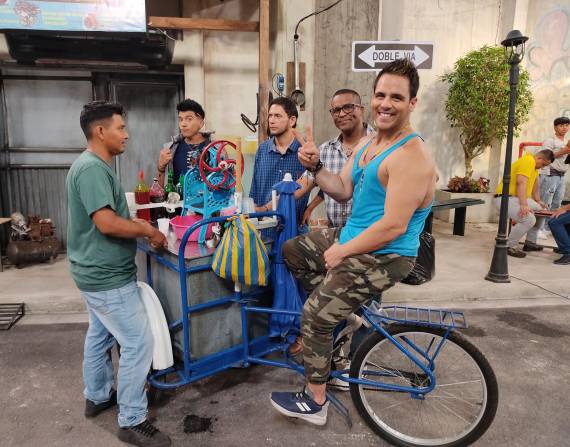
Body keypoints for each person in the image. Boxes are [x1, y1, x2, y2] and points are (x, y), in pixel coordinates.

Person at [269, 59, 437, 426]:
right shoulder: (371, 144)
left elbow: (393, 226)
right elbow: (342, 189)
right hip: (354, 237)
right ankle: (347, 315)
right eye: (381, 94)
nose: (386, 103)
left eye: (397, 96)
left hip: (386, 253)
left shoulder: (411, 155)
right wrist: (314, 169)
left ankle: (315, 400)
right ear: (372, 99)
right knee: (291, 251)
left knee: (314, 314)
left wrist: (342, 250)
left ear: (412, 102)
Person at [66, 101, 170, 447]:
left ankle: (96, 397)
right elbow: (106, 223)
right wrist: (147, 231)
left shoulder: (90, 165)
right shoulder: (93, 169)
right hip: (106, 276)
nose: (126, 134)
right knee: (139, 341)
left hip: (91, 272)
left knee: (100, 334)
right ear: (100, 132)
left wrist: (139, 224)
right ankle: (132, 419)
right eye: (120, 128)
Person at [298, 88, 375, 228]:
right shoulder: (324, 151)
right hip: (336, 238)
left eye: (348, 107)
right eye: (336, 110)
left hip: (371, 239)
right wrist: (266, 207)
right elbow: (300, 187)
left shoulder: (379, 145)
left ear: (361, 110)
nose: (342, 114)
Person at [249, 96, 308, 225]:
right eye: (270, 116)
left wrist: (311, 208)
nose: (271, 120)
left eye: (277, 116)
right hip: (264, 228)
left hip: (293, 229)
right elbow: (254, 189)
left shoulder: (304, 151)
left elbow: (321, 182)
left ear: (292, 120)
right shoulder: (262, 150)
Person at [494, 149, 555, 258]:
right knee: (529, 219)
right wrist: (523, 205)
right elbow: (520, 182)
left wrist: (538, 201)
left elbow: (535, 186)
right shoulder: (528, 161)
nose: (542, 167)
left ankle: (530, 243)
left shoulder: (534, 167)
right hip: (505, 198)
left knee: (542, 209)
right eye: (543, 164)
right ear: (539, 158)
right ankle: (509, 246)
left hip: (516, 198)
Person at [156, 99, 211, 188]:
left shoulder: (215, 148)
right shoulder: (171, 149)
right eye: (181, 119)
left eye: (189, 119)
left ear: (201, 123)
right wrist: (160, 168)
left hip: (208, 201)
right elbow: (158, 192)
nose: (183, 124)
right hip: (178, 201)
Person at [537, 116, 570, 239]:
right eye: (561, 125)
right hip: (550, 174)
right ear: (555, 127)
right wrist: (564, 151)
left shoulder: (567, 141)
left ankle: (546, 227)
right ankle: (538, 229)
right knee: (545, 203)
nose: (564, 127)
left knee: (557, 203)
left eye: (566, 125)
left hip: (562, 175)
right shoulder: (550, 140)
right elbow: (544, 157)